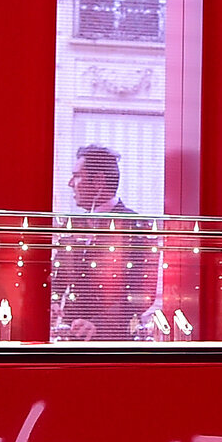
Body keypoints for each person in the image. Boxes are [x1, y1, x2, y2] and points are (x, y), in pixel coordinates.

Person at [51, 145, 160, 341]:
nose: (70, 183)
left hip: (114, 341)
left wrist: (99, 323)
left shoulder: (135, 225)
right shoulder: (73, 224)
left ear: (99, 181)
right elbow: (57, 279)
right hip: (69, 338)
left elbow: (141, 293)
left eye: (76, 176)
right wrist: (52, 303)